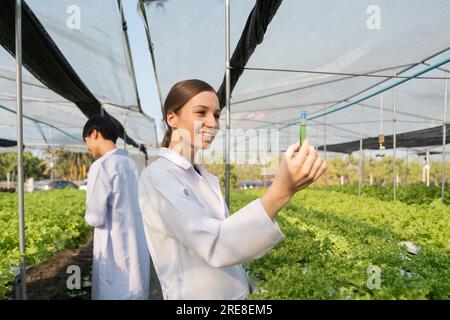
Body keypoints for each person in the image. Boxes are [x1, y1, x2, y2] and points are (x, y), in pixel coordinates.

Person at [138, 79, 326, 300]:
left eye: (216, 115)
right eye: (201, 113)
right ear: (172, 118)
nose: (213, 123)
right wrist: (281, 190)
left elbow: (226, 236)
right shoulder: (159, 177)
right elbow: (215, 245)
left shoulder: (200, 175)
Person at [83, 115, 150, 300]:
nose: (88, 148)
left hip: (114, 249)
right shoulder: (134, 166)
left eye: (86, 141)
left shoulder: (102, 166)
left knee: (114, 290)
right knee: (135, 287)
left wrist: (86, 216)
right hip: (136, 244)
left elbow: (95, 217)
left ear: (94, 134)